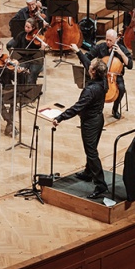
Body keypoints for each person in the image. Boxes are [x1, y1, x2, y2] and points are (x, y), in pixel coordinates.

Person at [46, 60, 110, 200]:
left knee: (91, 152)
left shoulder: (90, 90)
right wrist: (79, 53)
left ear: (93, 72)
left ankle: (101, 185)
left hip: (90, 123)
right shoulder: (104, 81)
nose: (89, 67)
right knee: (91, 148)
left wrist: (60, 117)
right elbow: (92, 66)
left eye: (91, 67)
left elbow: (77, 107)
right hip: (99, 119)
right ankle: (88, 172)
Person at [73, 29, 131, 120]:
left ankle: (115, 109)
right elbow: (89, 55)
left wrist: (121, 54)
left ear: (116, 39)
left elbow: (130, 65)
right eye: (106, 39)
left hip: (115, 76)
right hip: (100, 75)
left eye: (110, 40)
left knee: (121, 88)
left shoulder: (122, 49)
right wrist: (84, 58)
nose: (108, 42)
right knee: (89, 88)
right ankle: (87, 108)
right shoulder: (101, 47)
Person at [6, 17, 46, 84]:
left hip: (35, 62)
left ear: (33, 28)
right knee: (19, 70)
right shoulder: (21, 35)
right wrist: (12, 49)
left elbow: (41, 56)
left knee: (32, 73)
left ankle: (32, 90)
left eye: (28, 27)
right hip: (23, 60)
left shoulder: (37, 38)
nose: (26, 28)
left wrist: (42, 49)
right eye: (25, 26)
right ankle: (21, 88)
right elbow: (14, 46)